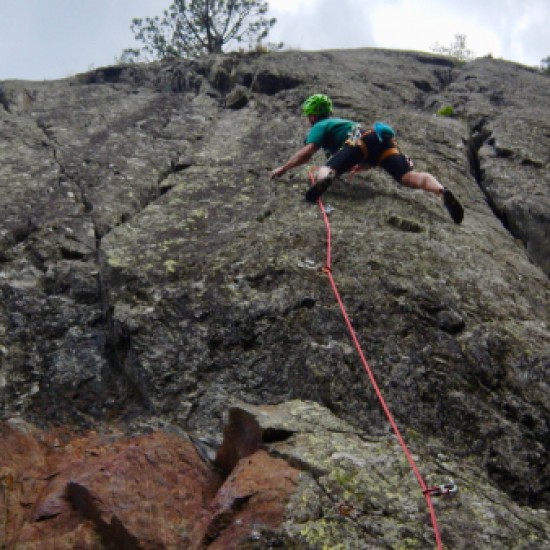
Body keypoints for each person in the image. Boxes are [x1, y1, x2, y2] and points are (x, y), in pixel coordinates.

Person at [270, 94, 464, 224]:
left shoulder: (321, 125)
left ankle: (326, 178)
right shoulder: (343, 123)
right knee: (409, 177)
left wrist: (284, 168)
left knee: (329, 167)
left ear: (312, 116)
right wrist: (363, 164)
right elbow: (366, 153)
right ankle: (441, 190)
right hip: (381, 141)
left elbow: (309, 151)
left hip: (359, 141)